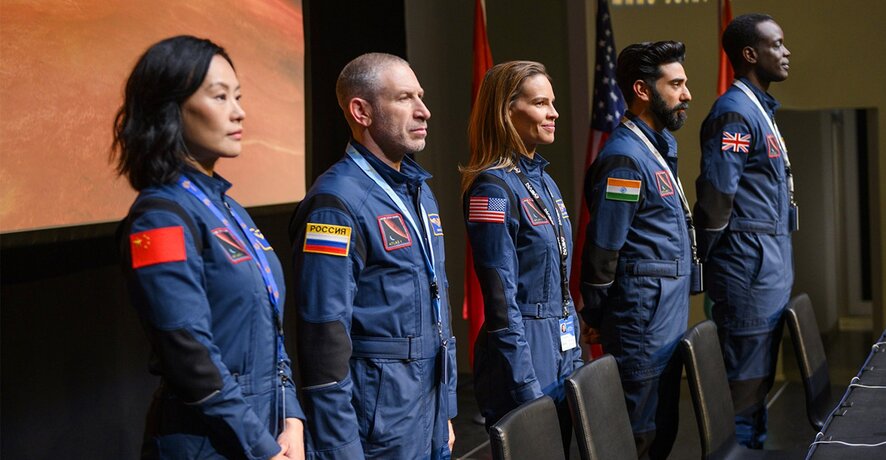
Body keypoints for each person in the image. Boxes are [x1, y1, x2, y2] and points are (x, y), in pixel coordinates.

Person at [112, 35, 304, 459]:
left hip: (266, 428)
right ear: (170, 110)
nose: (239, 111)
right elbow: (189, 355)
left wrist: (291, 416)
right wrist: (262, 446)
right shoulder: (159, 219)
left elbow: (270, 333)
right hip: (207, 443)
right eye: (220, 97)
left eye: (238, 96)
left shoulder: (229, 209)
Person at [288, 53, 456, 459]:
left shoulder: (418, 191)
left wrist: (446, 409)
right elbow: (323, 338)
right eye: (404, 98)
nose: (424, 110)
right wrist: (339, 447)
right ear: (361, 112)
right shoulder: (335, 203)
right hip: (379, 425)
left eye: (420, 96)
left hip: (428, 410)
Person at [460, 61, 583, 454]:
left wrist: (573, 352)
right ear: (506, 111)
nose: (554, 113)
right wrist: (525, 384)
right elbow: (500, 302)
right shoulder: (491, 189)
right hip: (523, 351)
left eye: (553, 102)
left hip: (560, 344)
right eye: (541, 103)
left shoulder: (543, 180)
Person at [579, 41, 695, 459]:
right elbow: (604, 248)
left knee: (661, 430)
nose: (687, 94)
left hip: (662, 318)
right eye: (675, 84)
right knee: (639, 437)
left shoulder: (654, 148)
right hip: (642, 324)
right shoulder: (626, 159)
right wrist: (596, 314)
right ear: (643, 90)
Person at [692, 13, 795, 449]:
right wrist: (714, 262)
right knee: (743, 397)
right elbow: (717, 197)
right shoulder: (735, 112)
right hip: (747, 272)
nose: (786, 52)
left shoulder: (758, 109)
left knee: (757, 392)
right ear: (750, 54)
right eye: (777, 44)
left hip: (765, 267)